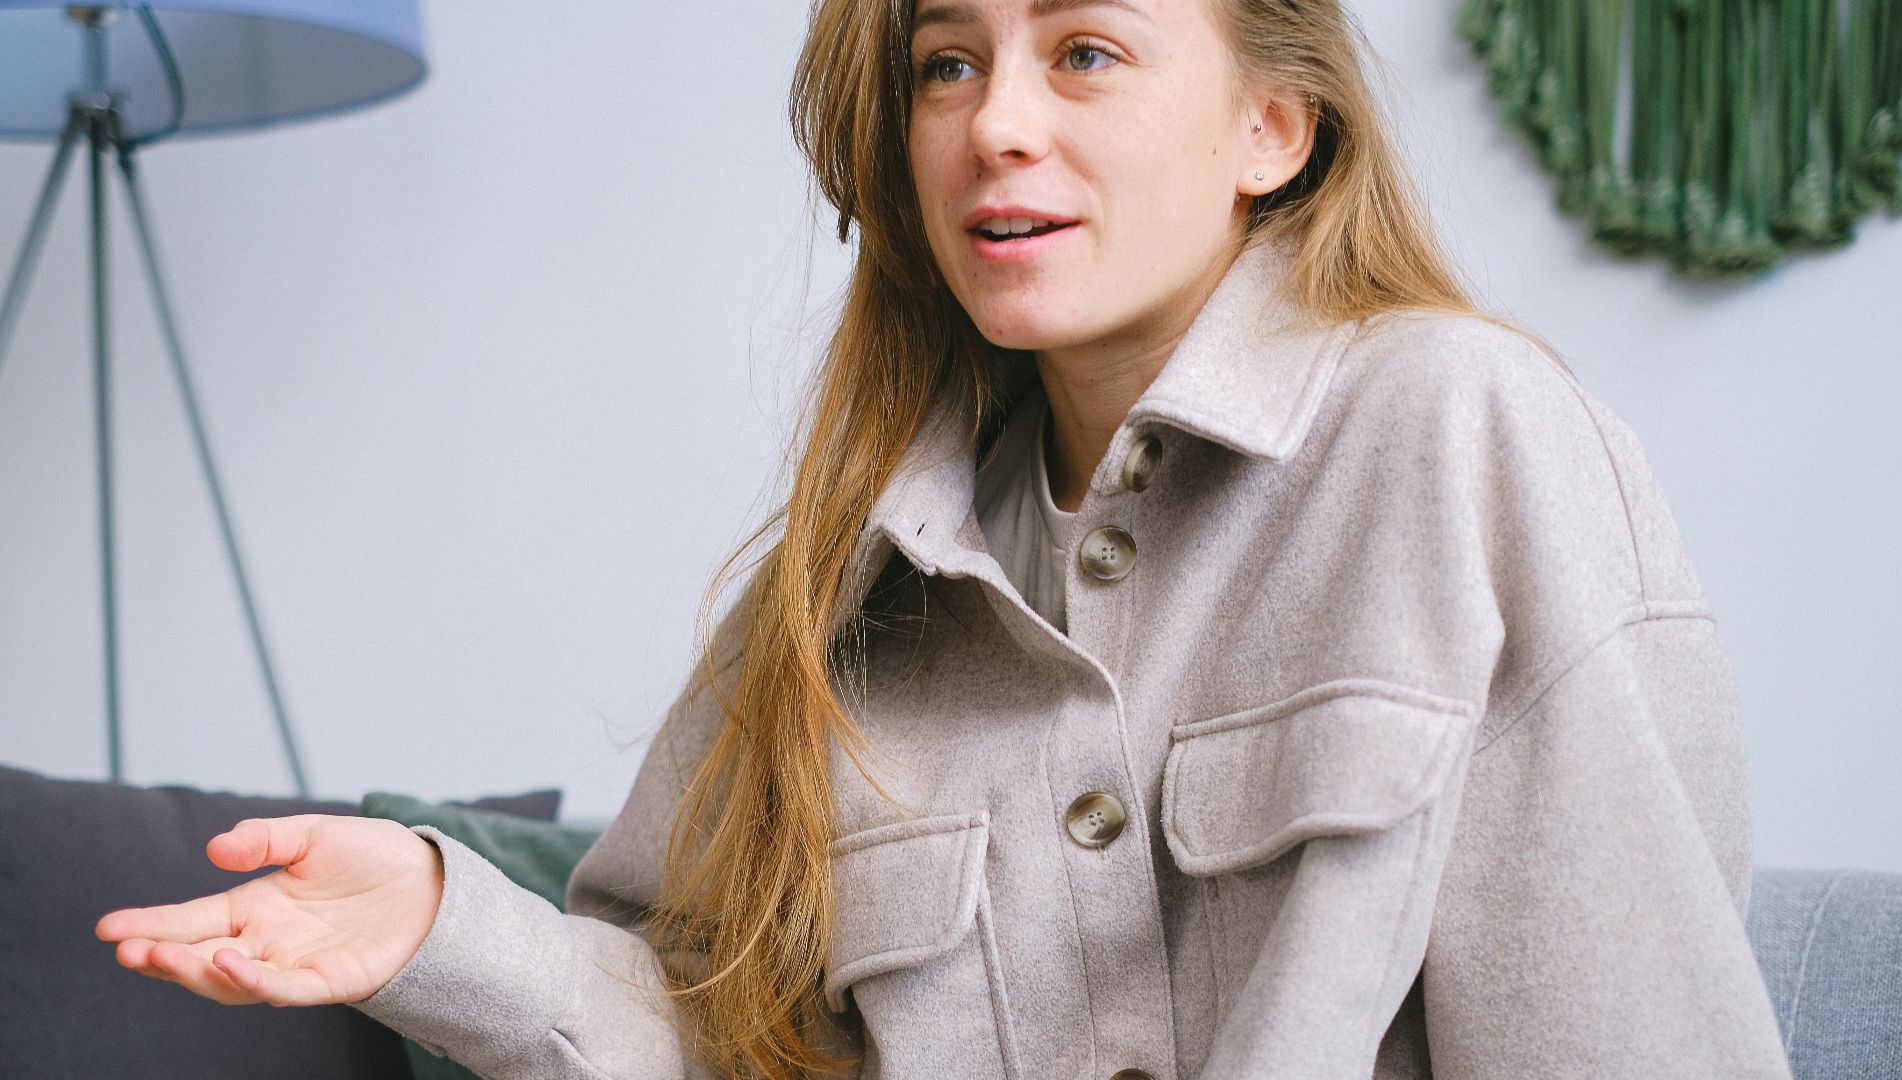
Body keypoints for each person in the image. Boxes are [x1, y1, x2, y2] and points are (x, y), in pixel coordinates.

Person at [94, 0, 1797, 1077]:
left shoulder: (1461, 427)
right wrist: (440, 923)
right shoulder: (842, 582)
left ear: (1273, 130)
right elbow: (717, 1029)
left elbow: (1627, 1030)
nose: (995, 120)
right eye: (948, 62)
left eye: (1088, 51)